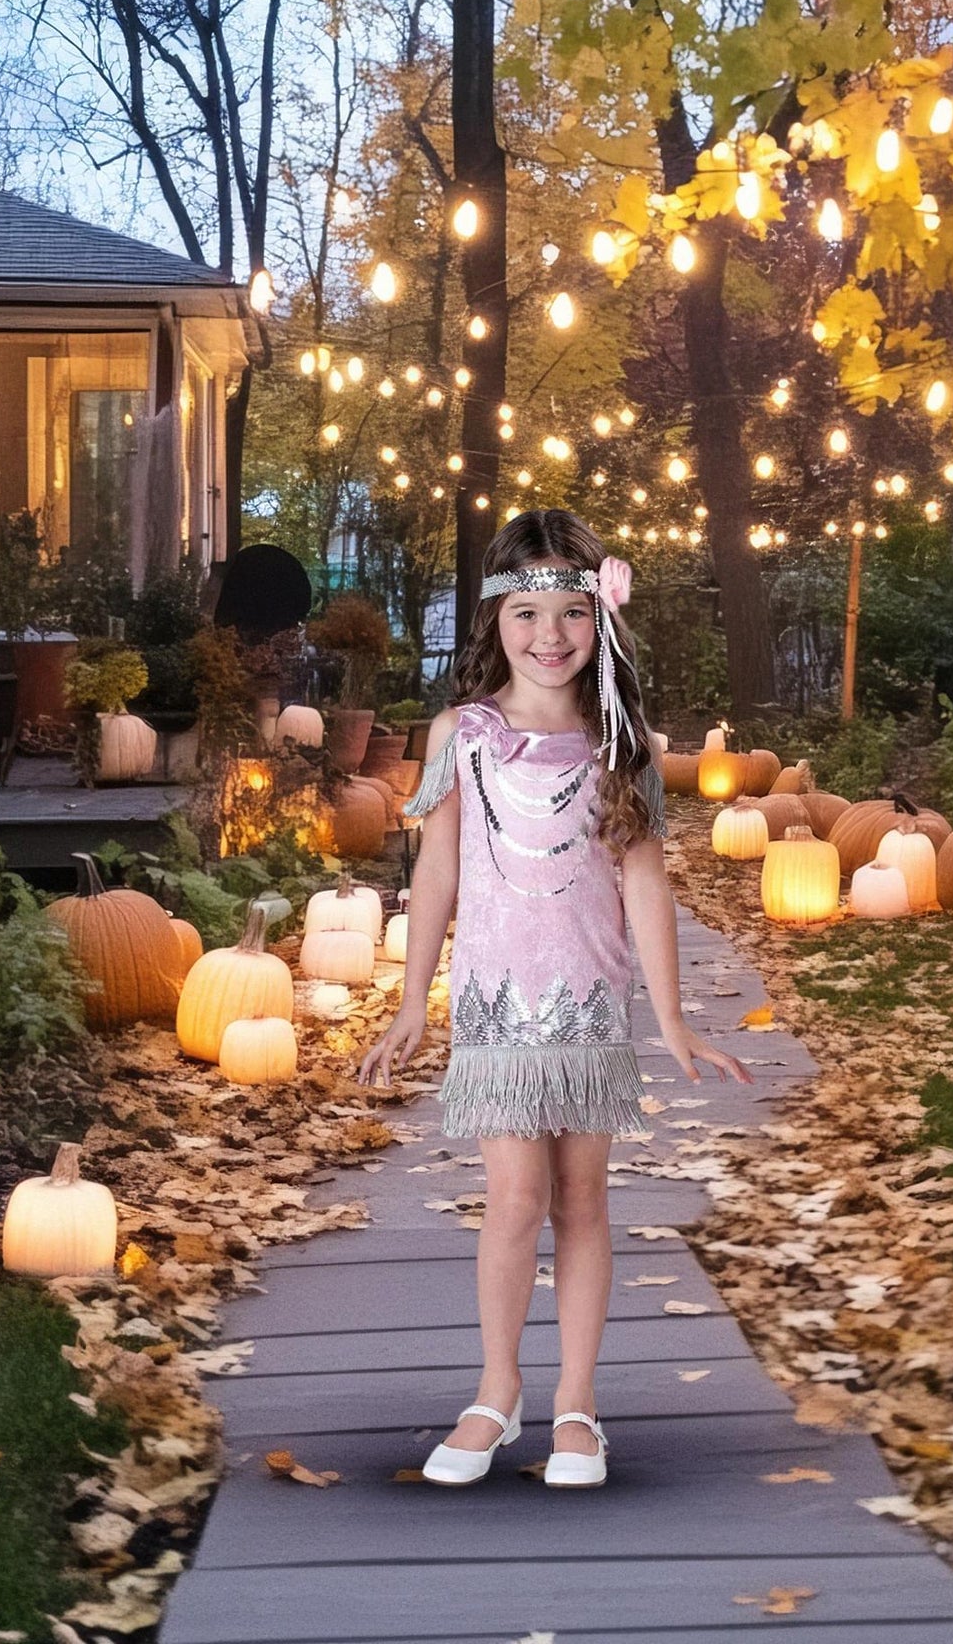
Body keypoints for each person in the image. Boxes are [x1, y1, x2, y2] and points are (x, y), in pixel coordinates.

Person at [358, 509, 752, 1489]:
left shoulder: (620, 740)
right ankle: (498, 1389)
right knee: (514, 1201)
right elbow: (438, 872)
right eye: (527, 612)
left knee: (582, 1202)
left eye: (571, 612)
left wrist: (668, 1017)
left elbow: (645, 883)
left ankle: (576, 1401)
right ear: (496, 621)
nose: (549, 634)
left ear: (599, 619)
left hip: (586, 1007)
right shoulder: (465, 736)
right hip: (498, 1002)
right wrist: (415, 1000)